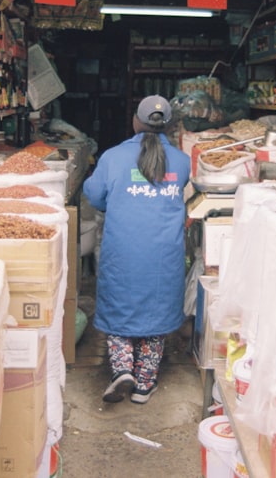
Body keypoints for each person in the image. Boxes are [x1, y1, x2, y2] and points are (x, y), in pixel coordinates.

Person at [82, 95, 191, 404]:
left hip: (123, 250)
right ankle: (144, 383)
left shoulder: (113, 157)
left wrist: (121, 200)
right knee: (156, 312)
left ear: (135, 121)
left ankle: (121, 371)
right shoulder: (182, 161)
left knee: (120, 305)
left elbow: (95, 196)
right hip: (164, 254)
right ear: (168, 126)